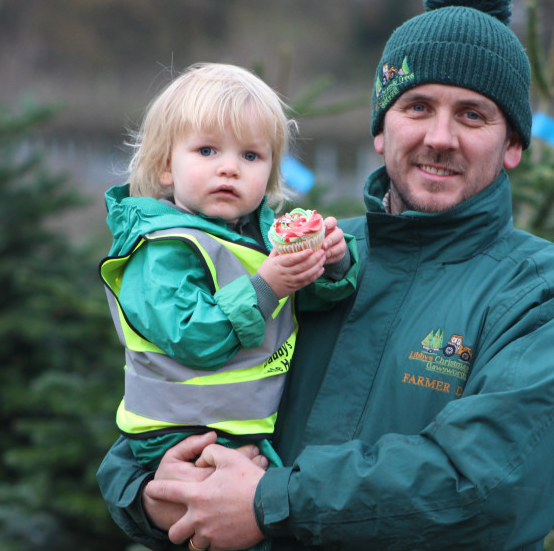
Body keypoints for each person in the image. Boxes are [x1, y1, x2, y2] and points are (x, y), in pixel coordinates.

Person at [97, 0, 554, 551]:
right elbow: (168, 400)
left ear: (513, 144)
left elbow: (489, 483)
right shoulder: (305, 258)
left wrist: (271, 504)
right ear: (381, 128)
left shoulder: (549, 294)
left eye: (472, 115)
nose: (439, 137)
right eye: (417, 106)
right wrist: (143, 491)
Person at [98, 62, 360, 550]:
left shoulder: (260, 237)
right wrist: (268, 286)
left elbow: (309, 305)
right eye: (207, 150)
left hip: (237, 426)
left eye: (251, 155)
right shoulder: (160, 249)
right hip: (185, 433)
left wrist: (330, 264)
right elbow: (194, 336)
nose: (229, 167)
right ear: (165, 167)